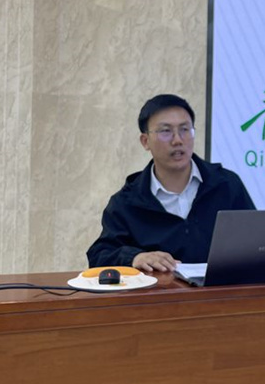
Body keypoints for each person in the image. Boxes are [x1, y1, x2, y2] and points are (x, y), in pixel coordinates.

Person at [87, 94, 255, 273]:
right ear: (145, 141)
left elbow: (257, 241)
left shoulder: (226, 185)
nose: (177, 140)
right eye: (165, 131)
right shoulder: (127, 202)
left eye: (185, 129)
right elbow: (99, 255)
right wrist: (134, 258)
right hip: (160, 291)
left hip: (221, 290)